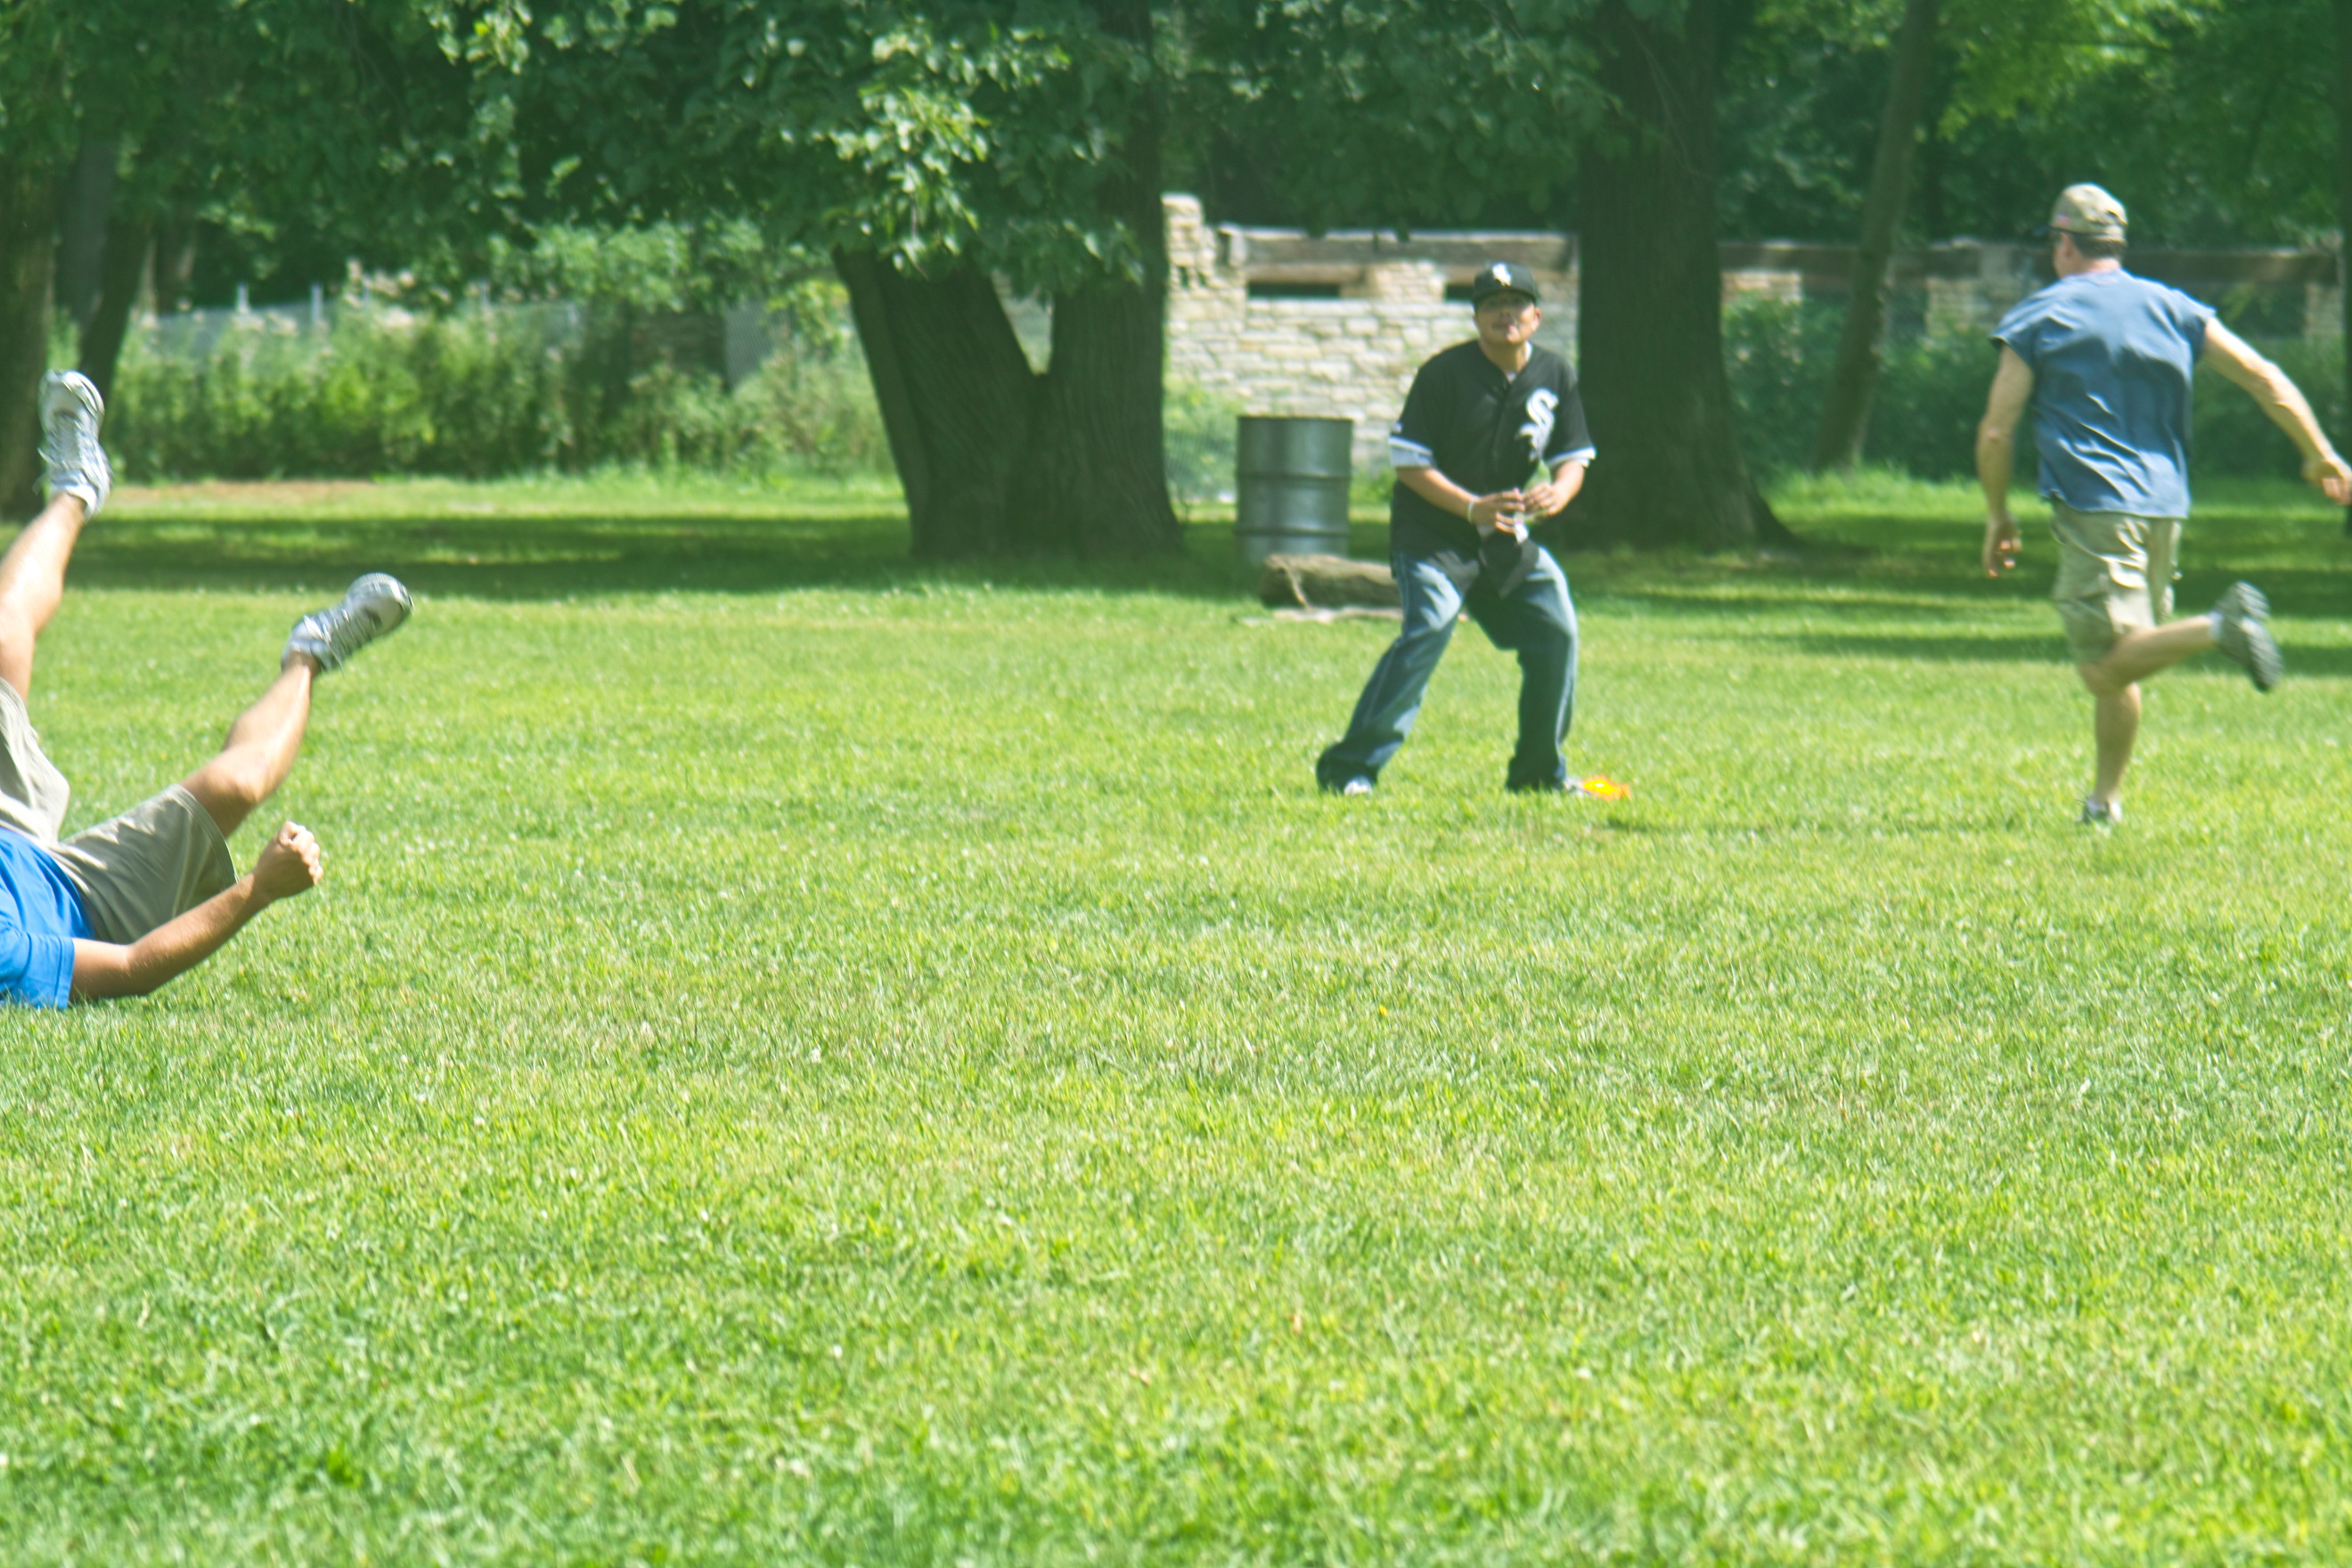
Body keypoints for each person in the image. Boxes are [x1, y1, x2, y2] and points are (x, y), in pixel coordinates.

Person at [0, 371, 413, 1007]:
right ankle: (310, 653)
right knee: (235, 786)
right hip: (83, 902)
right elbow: (132, 967)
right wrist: (260, 887)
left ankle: (74, 485)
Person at [1979, 184, 2352, 826]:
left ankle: (2220, 627)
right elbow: (2263, 376)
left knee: (2101, 668)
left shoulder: (2040, 315)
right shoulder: (2173, 307)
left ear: (2063, 244)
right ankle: (2103, 802)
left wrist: (1997, 513)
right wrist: (2320, 452)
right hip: (2165, 505)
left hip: (2095, 503)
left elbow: (1996, 429)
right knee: (2132, 652)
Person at [1316, 261, 1597, 797]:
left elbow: (1573, 458)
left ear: (1536, 316)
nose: (1504, 313)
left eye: (1516, 303)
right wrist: (1471, 508)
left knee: (1556, 629)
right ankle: (1350, 768)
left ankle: (1539, 774)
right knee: (1431, 626)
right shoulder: (1444, 374)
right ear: (1475, 317)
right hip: (1432, 537)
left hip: (1504, 539)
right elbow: (1409, 463)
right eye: (1492, 304)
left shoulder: (1555, 374)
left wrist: (1559, 492)